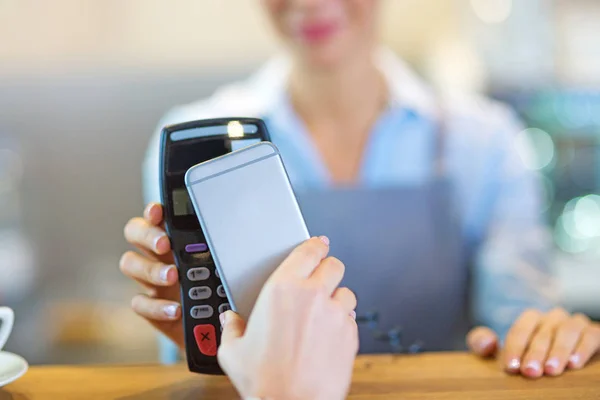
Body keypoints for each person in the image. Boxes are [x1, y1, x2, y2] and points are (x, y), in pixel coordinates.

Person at [121, 0, 600, 381]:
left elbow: (519, 327)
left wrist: (546, 338)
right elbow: (195, 368)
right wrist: (195, 345)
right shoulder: (190, 142)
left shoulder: (485, 141)